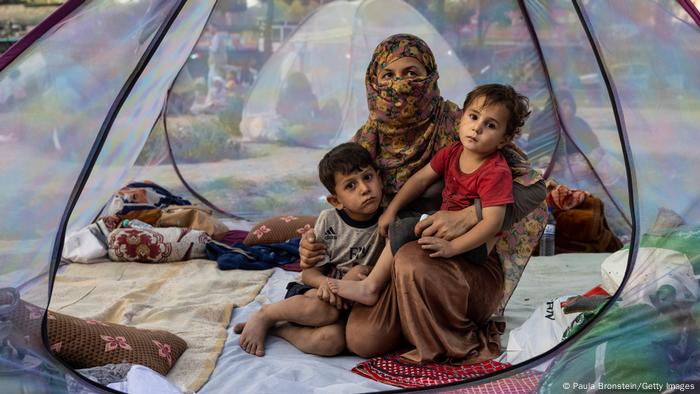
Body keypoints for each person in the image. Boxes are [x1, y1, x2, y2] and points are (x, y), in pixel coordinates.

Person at [300, 33, 547, 363]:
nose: (401, 85)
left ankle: (439, 333)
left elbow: (535, 188)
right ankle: (407, 318)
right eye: (389, 75)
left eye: (412, 73)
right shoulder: (367, 140)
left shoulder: (460, 128)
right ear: (374, 81)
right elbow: (352, 208)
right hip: (392, 262)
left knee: (411, 257)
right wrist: (315, 246)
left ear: (430, 75)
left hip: (459, 265)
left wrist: (468, 215)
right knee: (361, 340)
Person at [328, 84, 530, 307]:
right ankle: (382, 278)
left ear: (503, 140)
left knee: (404, 227)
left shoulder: (494, 171)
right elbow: (419, 180)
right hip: (446, 222)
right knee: (402, 216)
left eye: (490, 125)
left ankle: (371, 287)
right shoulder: (453, 152)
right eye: (473, 117)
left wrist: (454, 247)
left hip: (475, 243)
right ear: (461, 118)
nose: (477, 128)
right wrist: (392, 210)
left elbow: (493, 223)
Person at [233, 142, 385, 357]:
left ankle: (280, 329)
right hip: (317, 295)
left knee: (330, 341)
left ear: (379, 178)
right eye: (350, 185)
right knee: (323, 310)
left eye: (368, 178)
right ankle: (265, 315)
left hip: (354, 303)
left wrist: (348, 283)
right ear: (336, 201)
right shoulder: (329, 221)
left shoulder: (388, 220)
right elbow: (309, 273)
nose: (364, 189)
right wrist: (328, 285)